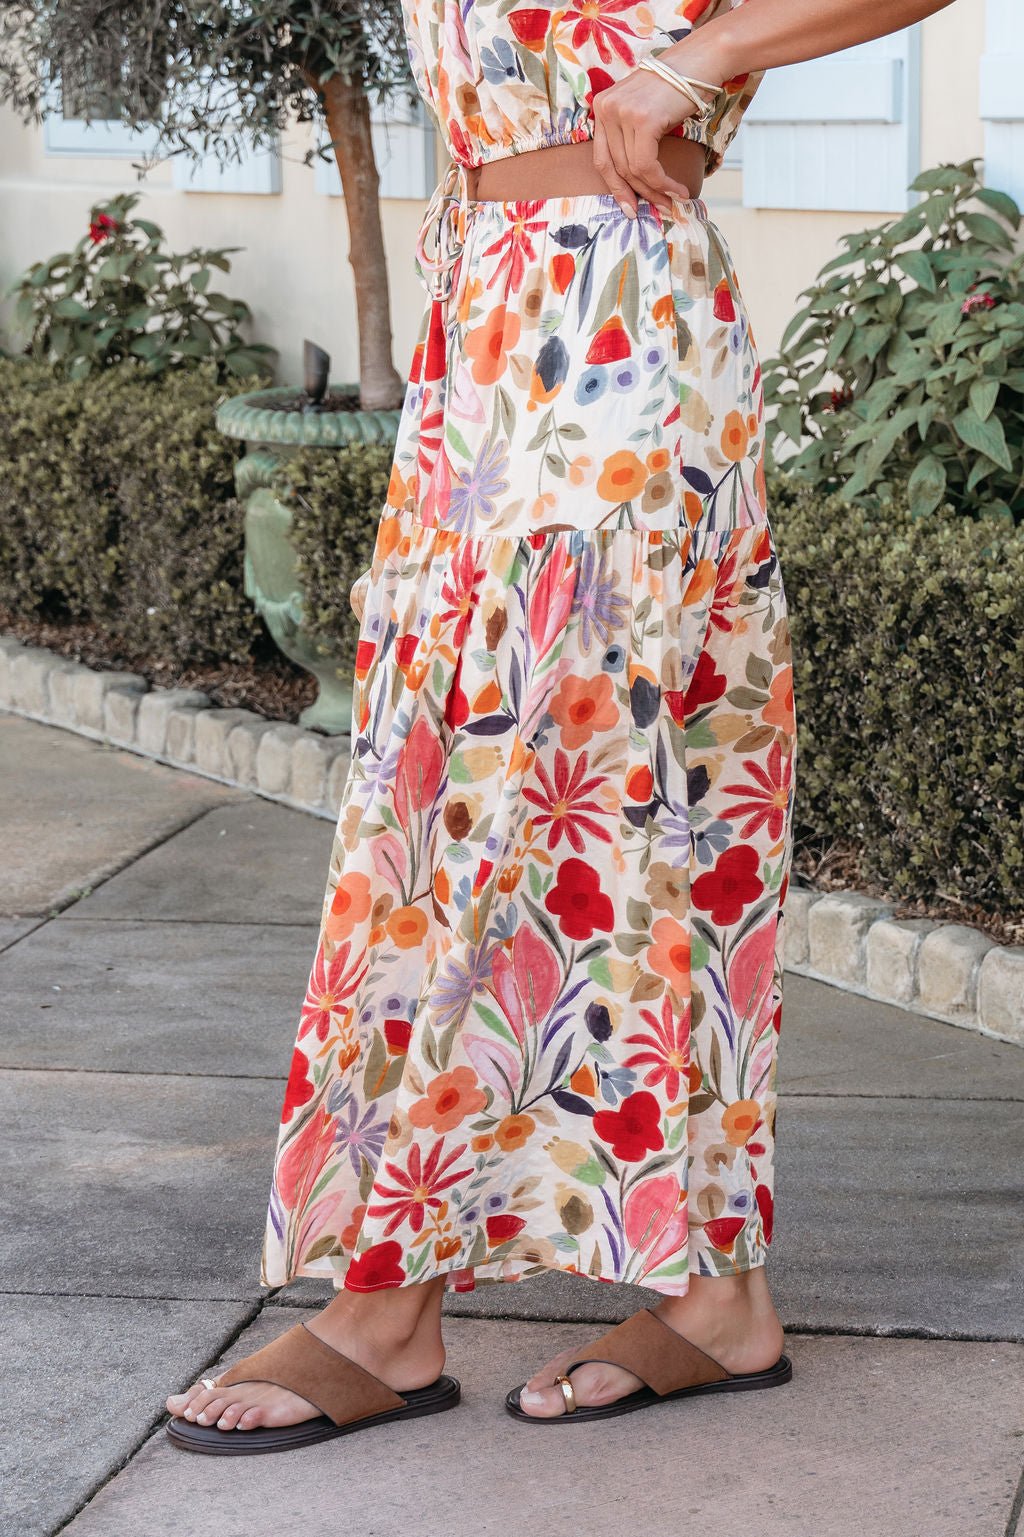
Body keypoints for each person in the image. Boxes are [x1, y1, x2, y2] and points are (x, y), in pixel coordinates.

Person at [166, 0, 956, 1453]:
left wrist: (700, 59)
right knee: (591, 801)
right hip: (494, 317)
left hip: (611, 331)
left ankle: (387, 1308)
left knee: (528, 794)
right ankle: (715, 1294)